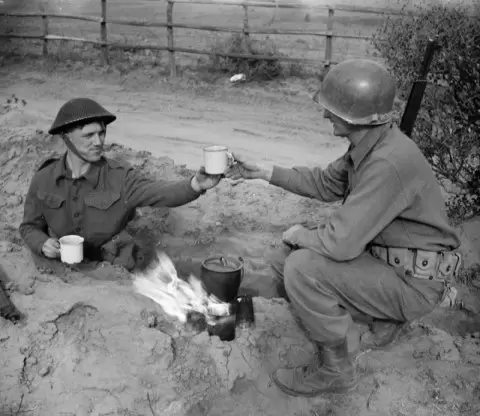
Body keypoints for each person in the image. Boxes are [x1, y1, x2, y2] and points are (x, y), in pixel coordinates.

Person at [225, 59, 462, 397]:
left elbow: (340, 243)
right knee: (284, 260)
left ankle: (336, 370)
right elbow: (325, 183)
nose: (325, 115)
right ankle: (381, 318)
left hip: (413, 285)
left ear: (364, 118)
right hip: (391, 265)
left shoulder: (386, 162)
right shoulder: (373, 145)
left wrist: (299, 234)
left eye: (335, 109)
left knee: (302, 267)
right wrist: (265, 172)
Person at [19, 98, 222, 271]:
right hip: (64, 269)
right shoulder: (44, 179)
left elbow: (159, 192)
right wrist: (42, 243)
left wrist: (196, 184)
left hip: (112, 266)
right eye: (89, 135)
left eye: (101, 133)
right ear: (66, 137)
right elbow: (30, 226)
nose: (98, 142)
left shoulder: (120, 177)